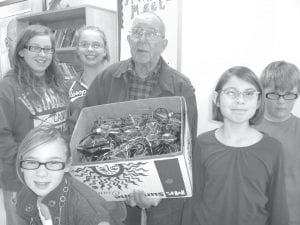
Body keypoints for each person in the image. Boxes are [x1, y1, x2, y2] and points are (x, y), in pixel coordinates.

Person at [82, 11, 198, 225]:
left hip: (162, 192)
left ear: (164, 44)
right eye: (137, 32)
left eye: (151, 33)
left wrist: (160, 189)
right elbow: (85, 130)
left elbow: (188, 147)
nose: (142, 39)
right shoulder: (107, 79)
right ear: (128, 39)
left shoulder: (181, 87)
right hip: (114, 186)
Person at [189, 66, 288, 225]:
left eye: (249, 94)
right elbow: (193, 201)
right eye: (231, 93)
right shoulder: (202, 144)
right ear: (217, 99)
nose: (240, 100)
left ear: (258, 101)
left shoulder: (273, 149)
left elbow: (278, 208)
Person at [0, 24, 69, 225]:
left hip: (55, 174)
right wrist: (28, 170)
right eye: (35, 48)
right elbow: (2, 136)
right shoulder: (7, 87)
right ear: (21, 51)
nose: (42, 54)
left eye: (47, 49)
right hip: (20, 178)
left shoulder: (58, 82)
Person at [15, 124, 126, 225]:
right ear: (21, 164)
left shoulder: (88, 211)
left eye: (53, 163)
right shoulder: (25, 193)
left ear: (68, 165)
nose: (41, 173)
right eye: (32, 162)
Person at [256, 61, 300, 225]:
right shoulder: (248, 129)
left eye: (289, 94)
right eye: (274, 94)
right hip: (256, 216)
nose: (281, 101)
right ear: (262, 92)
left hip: (293, 216)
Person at [68, 25, 110, 133]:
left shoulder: (116, 83)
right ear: (77, 50)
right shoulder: (67, 87)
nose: (90, 49)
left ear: (105, 51)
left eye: (96, 45)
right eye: (84, 44)